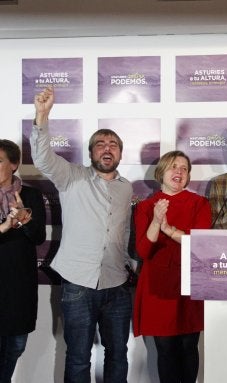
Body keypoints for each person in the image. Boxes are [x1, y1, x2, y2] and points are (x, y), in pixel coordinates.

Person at [30, 87, 133, 383]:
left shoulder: (126, 187)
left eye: (113, 144)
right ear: (91, 153)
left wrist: (129, 264)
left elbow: (122, 230)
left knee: (118, 354)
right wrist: (42, 116)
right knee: (77, 357)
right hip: (78, 284)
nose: (107, 148)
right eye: (100, 143)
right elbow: (43, 158)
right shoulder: (70, 177)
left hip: (117, 285)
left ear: (120, 153)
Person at [132, 150, 211, 383]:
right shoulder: (146, 207)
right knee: (165, 349)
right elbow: (144, 251)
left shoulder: (200, 203)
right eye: (173, 166)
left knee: (188, 345)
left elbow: (200, 244)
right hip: (158, 286)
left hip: (189, 283)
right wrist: (157, 222)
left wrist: (169, 230)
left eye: (184, 168)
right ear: (161, 172)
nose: (179, 172)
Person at [0, 139, 46, 383]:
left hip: (19, 285)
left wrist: (25, 218)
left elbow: (39, 237)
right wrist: (4, 227)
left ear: (14, 164)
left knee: (16, 346)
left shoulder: (30, 195)